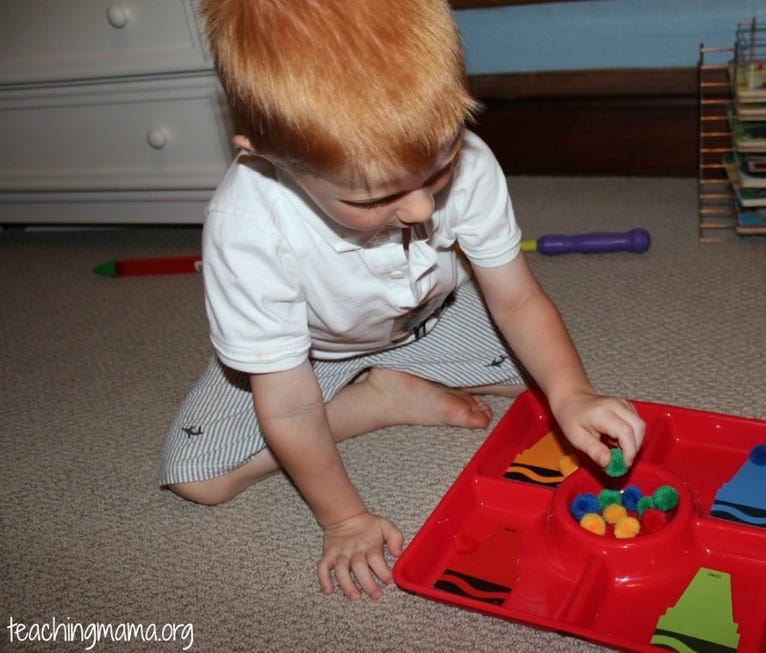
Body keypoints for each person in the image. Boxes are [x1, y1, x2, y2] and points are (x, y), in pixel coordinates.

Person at [159, 0, 645, 602]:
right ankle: (380, 402)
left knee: (550, 390)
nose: (421, 211)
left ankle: (401, 375)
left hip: (433, 319)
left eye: (436, 175)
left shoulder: (467, 158)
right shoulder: (248, 227)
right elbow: (285, 408)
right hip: (308, 357)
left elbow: (516, 300)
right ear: (265, 154)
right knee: (198, 478)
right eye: (376, 197)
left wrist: (571, 392)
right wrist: (343, 519)